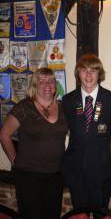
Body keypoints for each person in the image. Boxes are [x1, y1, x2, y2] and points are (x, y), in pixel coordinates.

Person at [0, 68, 68, 219]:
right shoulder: (24, 107)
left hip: (55, 175)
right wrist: (15, 161)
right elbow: (4, 134)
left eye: (50, 81)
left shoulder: (63, 108)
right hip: (28, 176)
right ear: (35, 85)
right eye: (42, 81)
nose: (47, 84)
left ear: (55, 85)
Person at [61, 54, 111, 217]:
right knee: (80, 215)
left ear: (99, 74)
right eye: (84, 70)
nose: (88, 75)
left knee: (101, 215)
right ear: (78, 73)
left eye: (93, 70)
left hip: (102, 172)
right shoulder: (67, 101)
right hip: (76, 172)